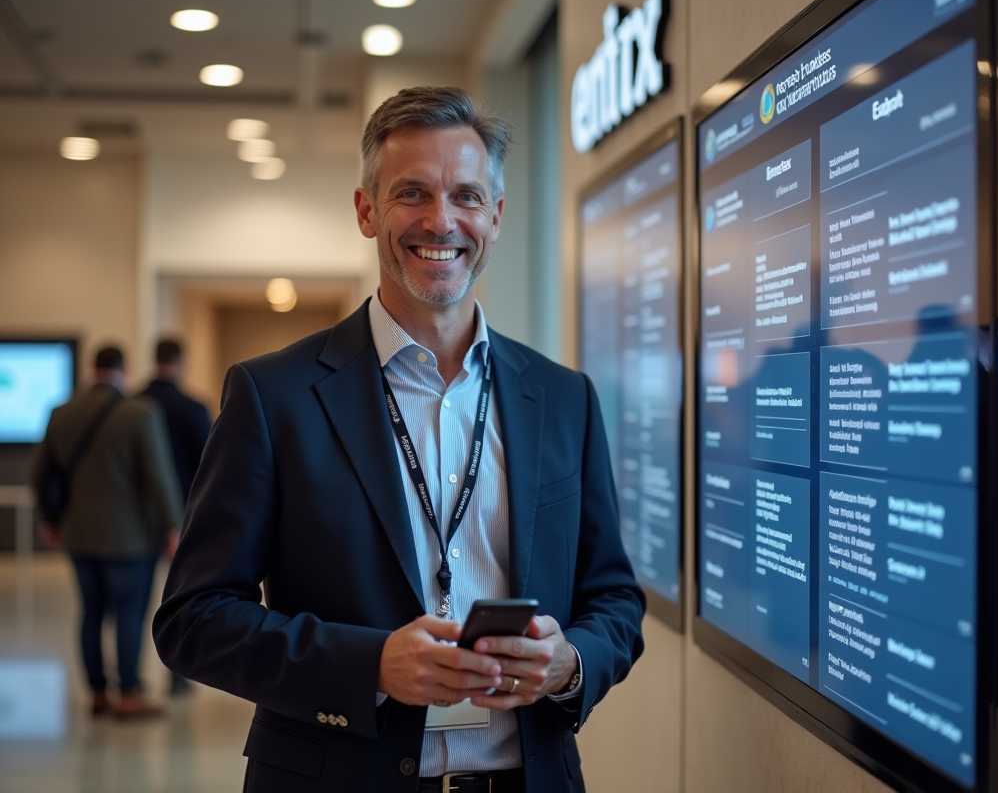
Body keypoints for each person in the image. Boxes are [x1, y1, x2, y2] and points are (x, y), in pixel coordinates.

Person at [153, 86, 645, 793]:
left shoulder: (565, 397)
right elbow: (193, 620)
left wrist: (569, 663)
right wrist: (370, 665)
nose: (441, 221)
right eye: (411, 193)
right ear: (366, 211)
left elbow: (615, 601)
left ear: (496, 216)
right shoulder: (274, 396)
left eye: (466, 197)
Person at [33, 346, 183, 718]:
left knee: (90, 612)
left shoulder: (60, 413)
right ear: (124, 369)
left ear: (91, 368)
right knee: (129, 614)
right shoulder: (140, 414)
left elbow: (41, 473)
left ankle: (97, 693)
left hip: (78, 533)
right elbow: (158, 478)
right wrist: (173, 525)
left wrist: (50, 520)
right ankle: (128, 693)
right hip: (130, 538)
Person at [139, 338, 212, 696]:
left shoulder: (133, 403)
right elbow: (211, 464)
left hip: (137, 516)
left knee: (135, 602)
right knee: (177, 595)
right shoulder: (193, 407)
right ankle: (176, 676)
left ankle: (129, 679)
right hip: (186, 512)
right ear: (181, 362)